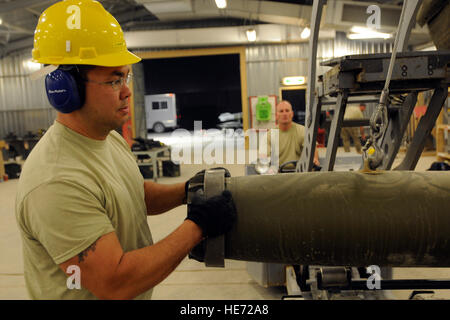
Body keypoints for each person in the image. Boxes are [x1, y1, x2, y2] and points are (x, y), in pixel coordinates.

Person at [15, 0, 236, 300]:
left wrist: (188, 189)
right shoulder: (56, 180)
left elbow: (132, 195)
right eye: (114, 80)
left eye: (126, 77)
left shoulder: (108, 139)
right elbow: (115, 282)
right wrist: (197, 226)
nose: (127, 91)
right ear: (65, 90)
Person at [268, 100, 320, 169]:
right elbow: (264, 158)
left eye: (287, 111)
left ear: (292, 114)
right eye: (281, 111)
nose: (284, 114)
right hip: (277, 175)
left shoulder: (303, 131)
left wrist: (314, 159)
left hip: (300, 174)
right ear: (276, 116)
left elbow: (312, 149)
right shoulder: (269, 135)